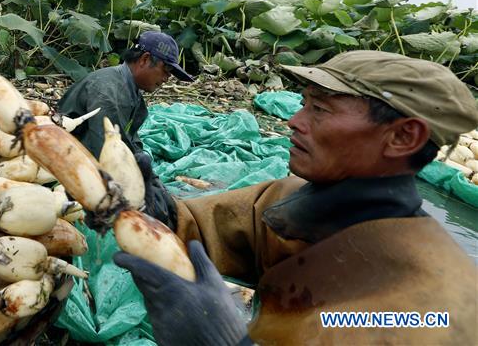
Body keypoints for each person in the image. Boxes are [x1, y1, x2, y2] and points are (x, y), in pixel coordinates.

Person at [115, 50, 478, 345]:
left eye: (319, 110)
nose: (294, 121)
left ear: (403, 137)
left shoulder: (437, 307)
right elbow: (203, 228)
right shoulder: (289, 202)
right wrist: (158, 209)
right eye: (303, 103)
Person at [58, 30, 192, 222]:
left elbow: (130, 141)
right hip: (68, 168)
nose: (166, 79)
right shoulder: (108, 90)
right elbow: (105, 150)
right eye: (166, 70)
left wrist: (151, 178)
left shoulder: (130, 92)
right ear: (145, 59)